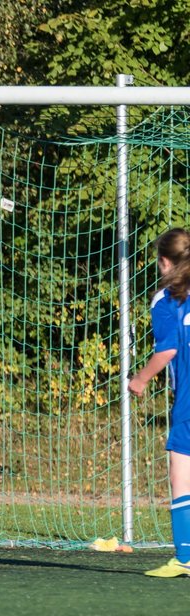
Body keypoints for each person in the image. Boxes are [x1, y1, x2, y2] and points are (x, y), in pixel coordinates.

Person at [129, 226, 190, 577]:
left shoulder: (165, 301)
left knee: (181, 478)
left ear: (165, 262)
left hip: (188, 402)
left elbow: (167, 349)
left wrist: (139, 380)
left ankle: (185, 557)